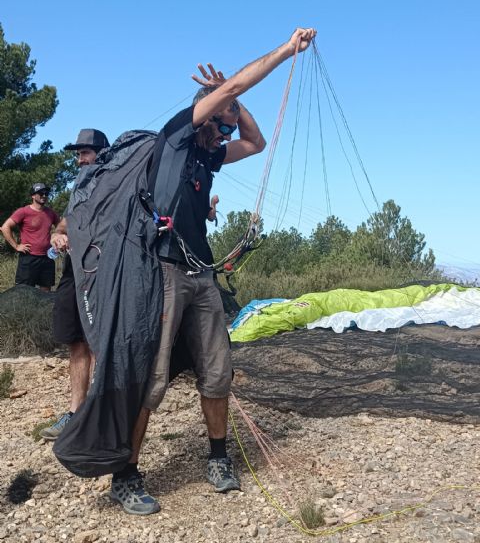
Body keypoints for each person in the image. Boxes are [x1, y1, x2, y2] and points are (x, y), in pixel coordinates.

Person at [109, 27, 316, 515]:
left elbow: (257, 142)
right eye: (221, 123)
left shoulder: (209, 156)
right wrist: (285, 52)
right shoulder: (180, 134)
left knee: (218, 371)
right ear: (204, 112)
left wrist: (236, 109)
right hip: (163, 270)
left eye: (227, 127)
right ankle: (125, 475)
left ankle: (219, 459)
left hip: (201, 274)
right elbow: (225, 95)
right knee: (153, 377)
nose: (225, 134)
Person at [40, 129, 110, 440]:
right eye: (78, 153)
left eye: (86, 152)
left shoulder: (116, 183)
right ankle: (75, 412)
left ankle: (101, 413)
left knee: (103, 343)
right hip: (74, 271)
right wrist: (58, 233)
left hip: (106, 272)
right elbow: (66, 220)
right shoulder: (79, 187)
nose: (80, 158)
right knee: (77, 341)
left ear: (102, 153)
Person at [1, 183, 60, 291]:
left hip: (47, 257)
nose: (44, 195)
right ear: (33, 196)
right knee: (24, 292)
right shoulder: (23, 212)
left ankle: (42, 308)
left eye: (46, 193)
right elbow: (5, 227)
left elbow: (61, 227)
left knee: (45, 292)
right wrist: (16, 246)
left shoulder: (51, 213)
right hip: (29, 258)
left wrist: (58, 241)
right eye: (41, 193)